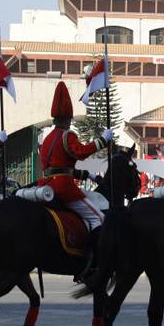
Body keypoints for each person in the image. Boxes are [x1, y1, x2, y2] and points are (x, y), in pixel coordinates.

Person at [38, 82, 112, 273]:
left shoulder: (47, 138)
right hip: (63, 188)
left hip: (47, 184)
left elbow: (59, 166)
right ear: (68, 118)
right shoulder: (67, 135)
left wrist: (87, 174)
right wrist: (103, 140)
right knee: (99, 218)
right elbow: (79, 152)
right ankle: (93, 262)